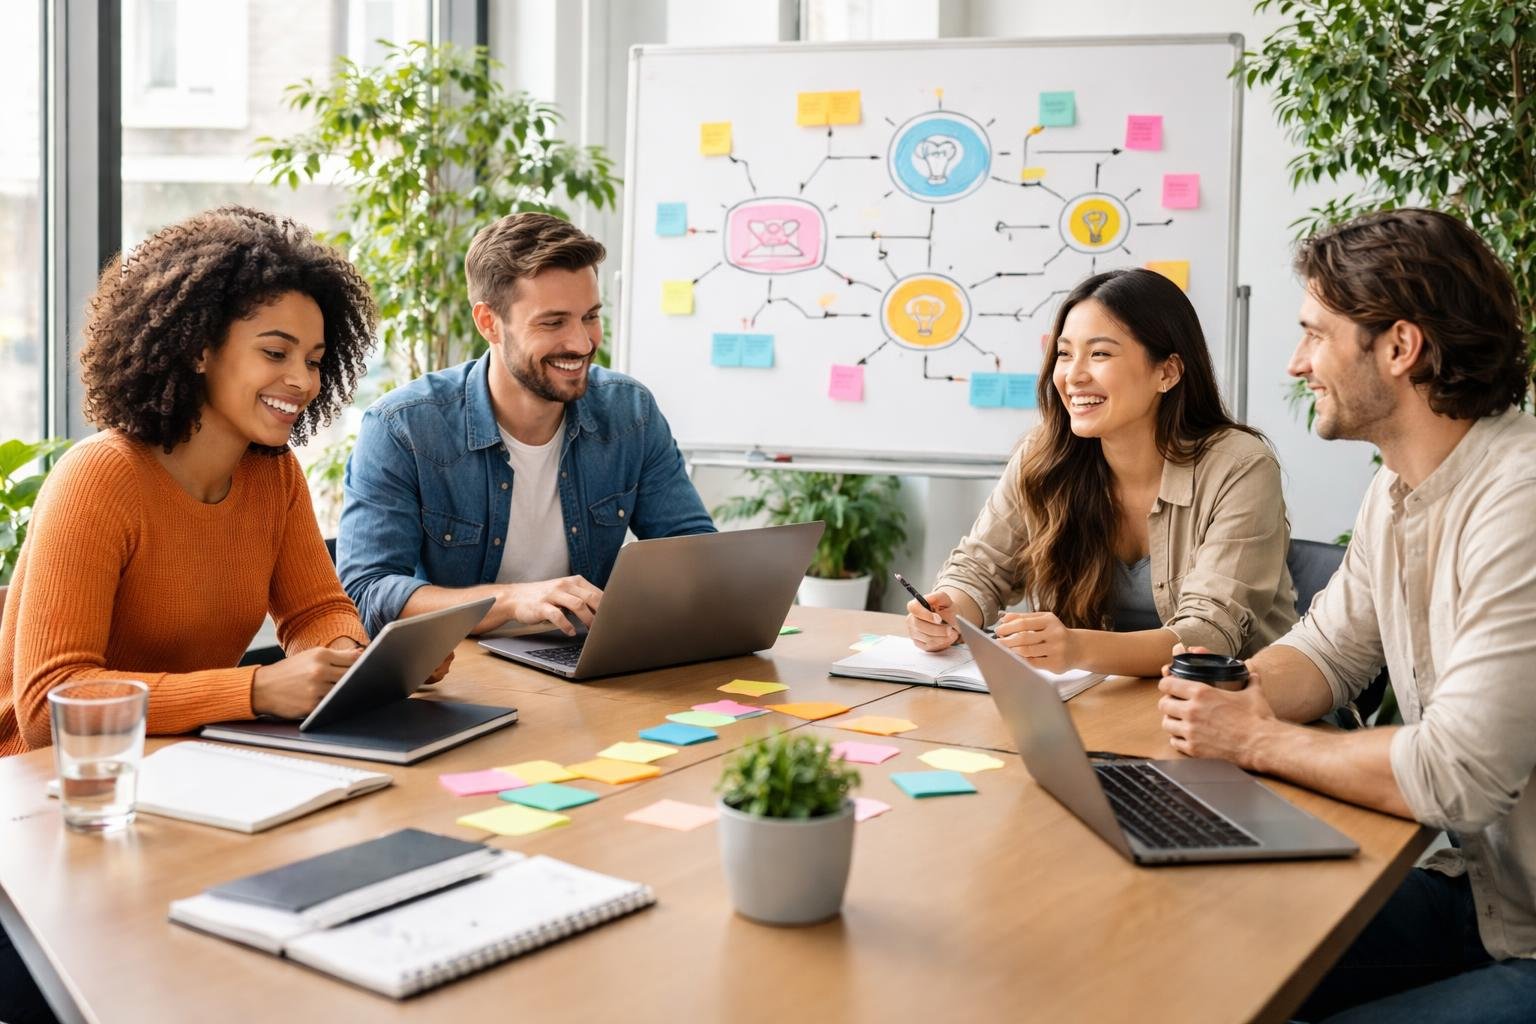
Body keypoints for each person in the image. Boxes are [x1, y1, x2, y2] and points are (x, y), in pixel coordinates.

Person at [1157, 208, 1536, 1021]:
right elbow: (1330, 652)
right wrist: (1222, 694)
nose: (1297, 363)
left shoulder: (1521, 499)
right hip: (1480, 892)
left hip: (1529, 935)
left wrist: (1255, 739)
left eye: (1314, 334)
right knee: (1202, 953)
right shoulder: (1394, 494)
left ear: (1400, 348)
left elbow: (1455, 775)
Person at [0, 205, 441, 759]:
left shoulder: (272, 474)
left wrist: (351, 662)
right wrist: (255, 690)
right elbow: (47, 707)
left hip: (181, 763)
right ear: (198, 349)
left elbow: (314, 611)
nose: (302, 380)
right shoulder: (100, 478)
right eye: (275, 353)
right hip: (53, 789)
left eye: (314, 359)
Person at [337, 212, 714, 638]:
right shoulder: (403, 429)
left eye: (590, 316)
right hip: (463, 678)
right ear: (489, 323)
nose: (582, 342)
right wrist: (515, 599)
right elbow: (367, 594)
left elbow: (692, 550)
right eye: (553, 322)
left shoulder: (630, 412)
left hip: (586, 666)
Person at [906, 267, 1297, 677]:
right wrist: (948, 611)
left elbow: (1207, 636)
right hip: (1102, 701)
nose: (1073, 375)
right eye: (1064, 353)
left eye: (1100, 354)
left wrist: (1076, 647)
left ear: (1167, 372)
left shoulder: (1239, 466)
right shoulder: (1044, 455)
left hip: (1237, 706)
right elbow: (980, 569)